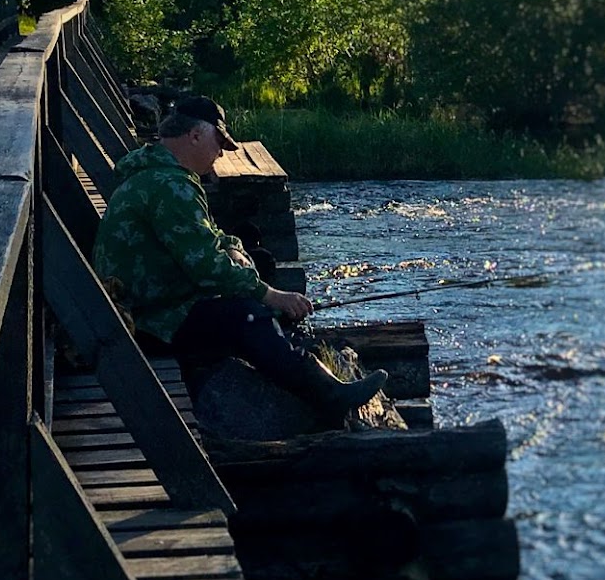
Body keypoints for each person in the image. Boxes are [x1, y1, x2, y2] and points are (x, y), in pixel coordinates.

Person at [93, 95, 387, 418]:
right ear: (195, 136)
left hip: (155, 299)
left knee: (255, 260)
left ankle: (279, 344)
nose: (220, 154)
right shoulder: (170, 187)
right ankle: (327, 393)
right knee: (246, 314)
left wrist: (234, 247)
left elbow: (208, 235)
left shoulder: (157, 172)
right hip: (150, 320)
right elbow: (207, 268)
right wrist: (271, 296)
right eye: (218, 143)